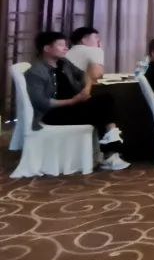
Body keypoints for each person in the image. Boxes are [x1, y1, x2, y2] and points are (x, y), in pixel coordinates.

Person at [24, 31, 129, 170]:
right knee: (103, 108)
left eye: (65, 45)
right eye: (61, 45)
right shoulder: (36, 71)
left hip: (72, 106)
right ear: (47, 48)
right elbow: (41, 102)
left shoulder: (63, 63)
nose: (66, 48)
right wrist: (73, 101)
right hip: (53, 114)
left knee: (106, 100)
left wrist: (86, 89)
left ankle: (111, 143)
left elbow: (84, 75)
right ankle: (111, 149)